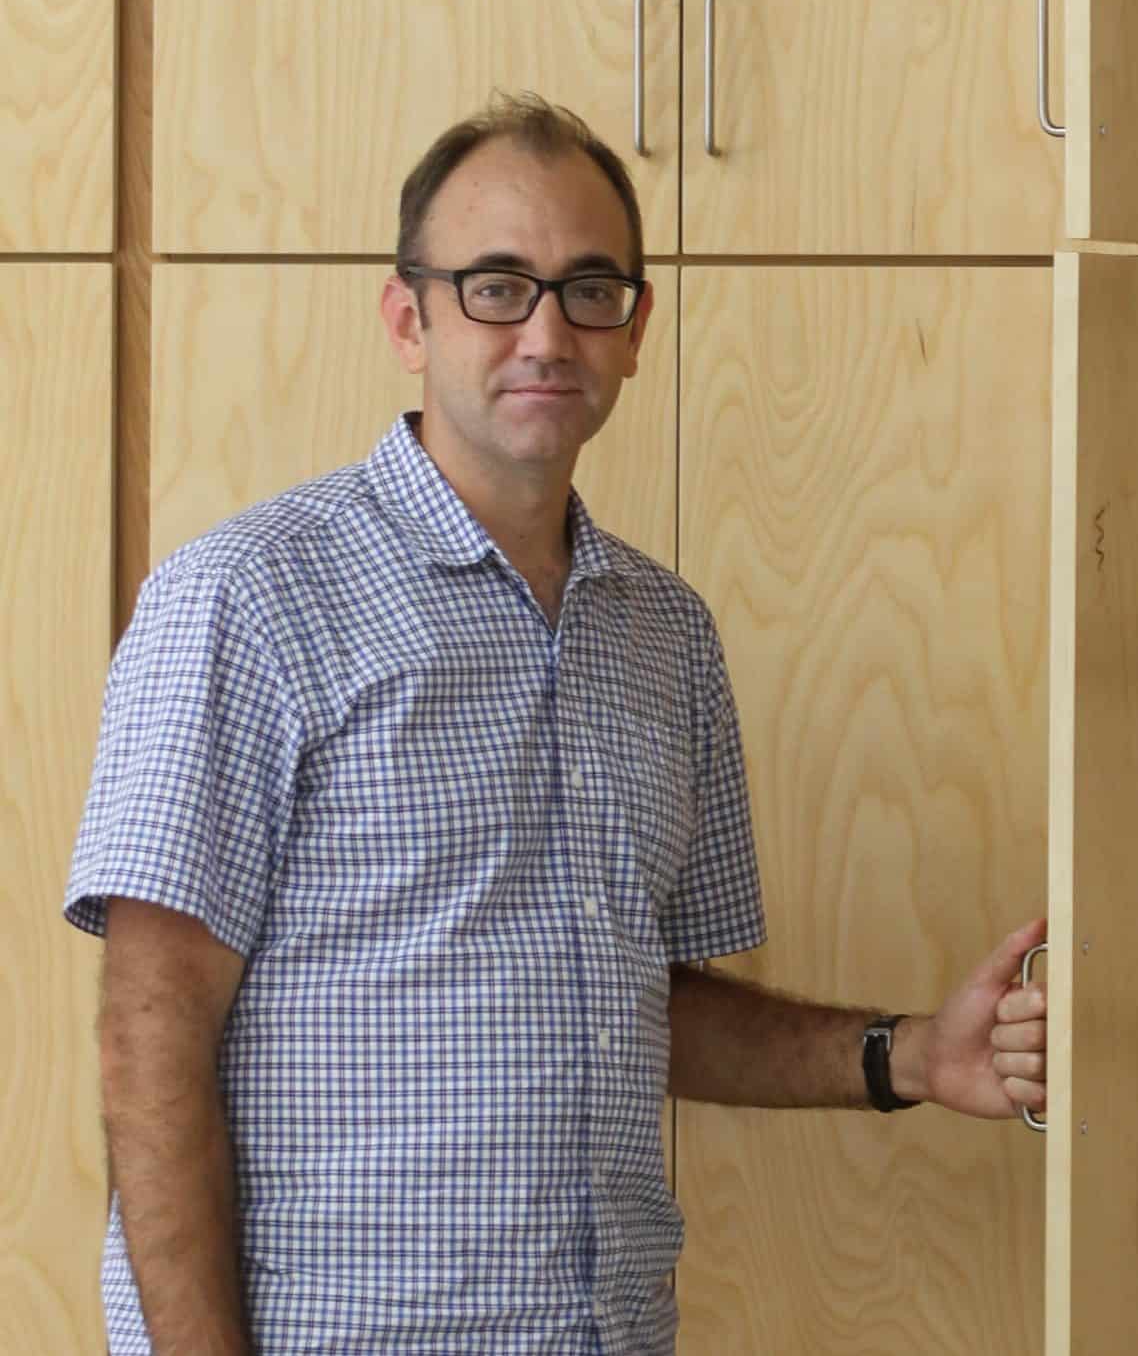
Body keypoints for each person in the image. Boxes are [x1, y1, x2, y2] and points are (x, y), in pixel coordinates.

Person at [61, 93, 1049, 1355]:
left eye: (588, 289)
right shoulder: (249, 597)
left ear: (635, 330)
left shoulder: (666, 633)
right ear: (406, 317)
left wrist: (907, 1055)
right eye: (495, 286)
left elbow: (640, 1000)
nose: (544, 331)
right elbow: (152, 1037)